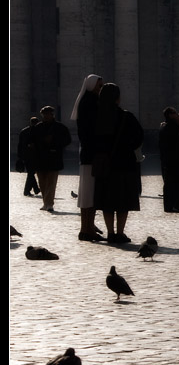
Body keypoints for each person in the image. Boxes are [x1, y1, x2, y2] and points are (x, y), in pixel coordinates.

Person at [92, 83, 144, 243]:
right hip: (125, 164)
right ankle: (120, 233)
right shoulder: (126, 117)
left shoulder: (96, 116)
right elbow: (139, 138)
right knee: (123, 201)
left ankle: (110, 232)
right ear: (117, 98)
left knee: (107, 201)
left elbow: (89, 139)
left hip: (104, 164)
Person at [70, 74, 105, 241]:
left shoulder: (87, 101)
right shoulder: (91, 103)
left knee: (87, 194)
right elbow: (92, 130)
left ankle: (87, 228)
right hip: (92, 154)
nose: (101, 89)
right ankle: (87, 230)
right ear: (92, 86)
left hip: (87, 153)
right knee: (89, 194)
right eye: (99, 86)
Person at [31, 106, 72, 212]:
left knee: (51, 182)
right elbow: (33, 141)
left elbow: (67, 140)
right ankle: (46, 202)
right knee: (42, 182)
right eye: (44, 114)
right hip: (41, 158)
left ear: (52, 115)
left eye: (48, 114)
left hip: (54, 158)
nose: (46, 116)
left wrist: (55, 143)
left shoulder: (60, 127)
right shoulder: (38, 127)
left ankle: (49, 203)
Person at [159, 106, 179, 212]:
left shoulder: (164, 126)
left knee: (169, 183)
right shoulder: (172, 127)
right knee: (172, 183)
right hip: (173, 159)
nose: (177, 114)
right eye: (175, 113)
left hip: (166, 159)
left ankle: (169, 205)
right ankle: (172, 205)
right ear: (170, 115)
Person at [17, 116, 41, 197]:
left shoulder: (23, 131)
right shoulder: (36, 131)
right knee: (31, 173)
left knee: (31, 173)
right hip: (33, 155)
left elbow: (20, 145)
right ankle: (27, 190)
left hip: (25, 155)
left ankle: (35, 189)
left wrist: (19, 155)